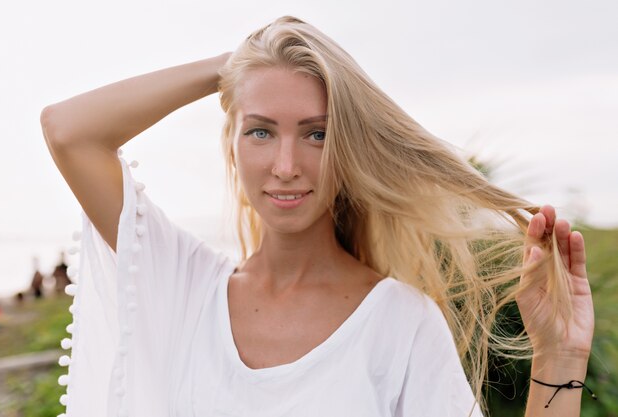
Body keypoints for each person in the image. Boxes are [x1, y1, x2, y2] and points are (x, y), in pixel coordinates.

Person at [41, 16, 594, 417]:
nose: (285, 166)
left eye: (317, 134)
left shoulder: (399, 323)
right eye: (260, 130)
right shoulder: (187, 285)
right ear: (231, 143)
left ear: (349, 150)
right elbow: (69, 130)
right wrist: (237, 66)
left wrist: (560, 357)